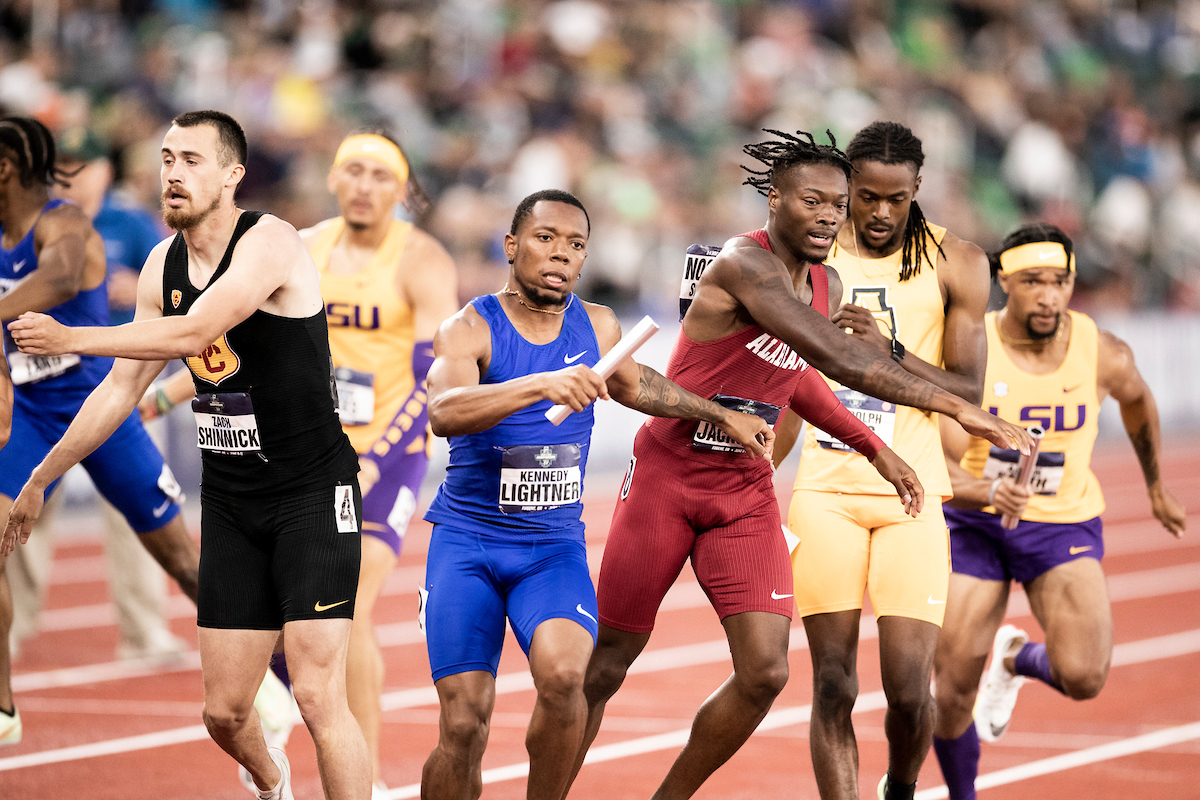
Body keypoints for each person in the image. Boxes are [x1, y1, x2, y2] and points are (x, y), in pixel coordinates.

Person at [565, 129, 1029, 800]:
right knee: (607, 665)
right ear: (774, 199)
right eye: (813, 201)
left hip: (745, 492)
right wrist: (954, 406)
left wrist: (878, 448)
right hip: (669, 479)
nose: (828, 217)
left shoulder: (826, 280)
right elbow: (838, 357)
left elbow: (803, 376)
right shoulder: (739, 265)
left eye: (836, 206)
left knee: (765, 673)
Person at [3, 110, 370, 800]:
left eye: (192, 160)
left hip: (312, 493)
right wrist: (38, 478)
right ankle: (271, 781)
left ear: (232, 176)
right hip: (232, 505)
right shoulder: (160, 266)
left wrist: (72, 338)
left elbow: (198, 328)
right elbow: (117, 394)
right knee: (225, 714)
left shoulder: (271, 241)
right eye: (167, 158)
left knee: (320, 695)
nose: (172, 172)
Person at [418, 188, 776, 800]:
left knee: (565, 679)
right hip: (468, 543)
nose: (559, 254)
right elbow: (445, 412)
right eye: (544, 238)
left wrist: (719, 414)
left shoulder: (599, 325)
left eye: (575, 244)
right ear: (511, 246)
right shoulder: (471, 326)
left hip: (550, 548)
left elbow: (643, 388)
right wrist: (539, 383)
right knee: (463, 720)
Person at [769, 121, 991, 800]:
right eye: (865, 197)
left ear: (918, 189)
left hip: (911, 495)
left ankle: (899, 785)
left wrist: (887, 352)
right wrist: (755, 482)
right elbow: (779, 377)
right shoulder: (807, 256)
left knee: (906, 687)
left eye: (896, 198)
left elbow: (967, 390)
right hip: (825, 493)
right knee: (832, 679)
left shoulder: (958, 262)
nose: (879, 213)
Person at [930, 223, 1185, 800]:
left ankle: (1018, 658)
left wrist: (1156, 488)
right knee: (950, 691)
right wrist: (984, 491)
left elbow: (1139, 402)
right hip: (977, 524)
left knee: (1084, 676)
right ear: (1003, 282)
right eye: (1033, 282)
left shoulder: (1104, 351)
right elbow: (939, 453)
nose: (1049, 295)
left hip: (1062, 524)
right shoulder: (972, 349)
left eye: (1060, 282)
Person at [0, 116, 199, 747]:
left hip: (101, 406)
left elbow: (58, 278)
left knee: (182, 562)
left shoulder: (66, 222)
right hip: (30, 415)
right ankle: (3, 709)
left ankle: (267, 673)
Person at [303, 131, 457, 797]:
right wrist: (164, 396)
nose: (365, 186)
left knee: (351, 607)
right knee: (290, 619)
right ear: (335, 179)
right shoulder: (302, 249)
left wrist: (371, 464)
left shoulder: (421, 259)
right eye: (354, 172)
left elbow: (435, 384)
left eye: (380, 176)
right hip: (306, 458)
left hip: (385, 459)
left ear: (402, 190)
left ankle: (357, 780)